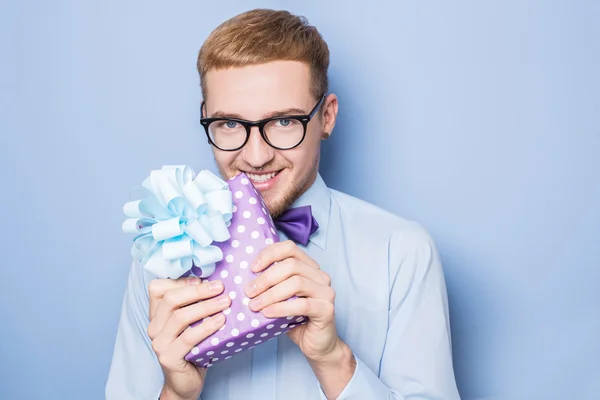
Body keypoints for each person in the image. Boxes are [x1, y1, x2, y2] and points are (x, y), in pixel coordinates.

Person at [106, 8, 460, 400]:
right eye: (229, 124)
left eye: (284, 122)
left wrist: (332, 358)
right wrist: (176, 392)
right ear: (206, 119)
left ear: (326, 117)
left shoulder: (402, 252)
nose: (255, 157)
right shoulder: (159, 256)